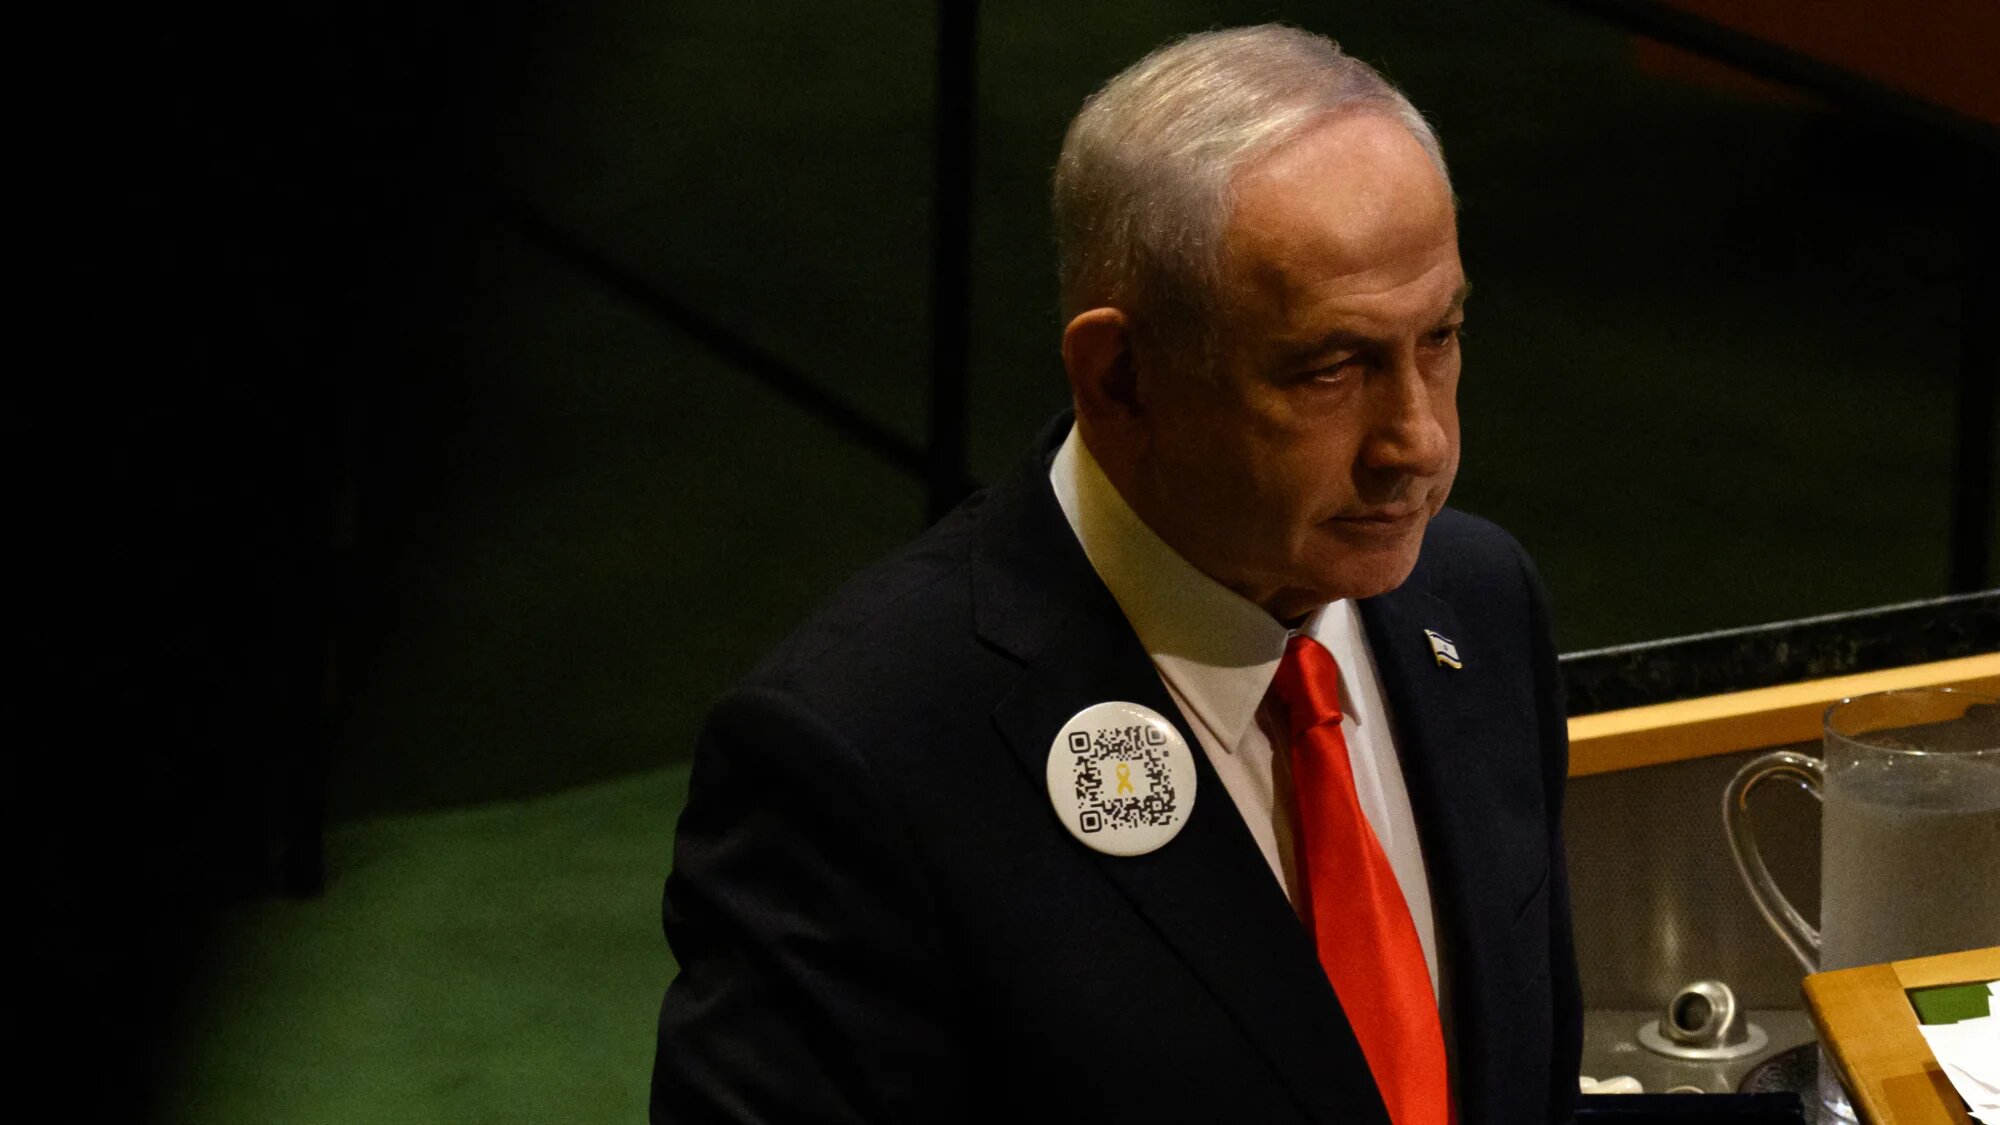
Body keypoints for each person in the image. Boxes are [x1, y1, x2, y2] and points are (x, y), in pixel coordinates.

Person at [651, 24, 1581, 1125]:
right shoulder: (860, 757)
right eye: (1331, 369)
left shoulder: (1474, 600)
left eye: (1438, 338)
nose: (1415, 442)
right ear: (1120, 377)